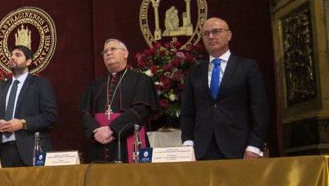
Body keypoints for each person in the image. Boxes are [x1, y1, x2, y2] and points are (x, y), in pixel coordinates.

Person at [180, 17, 268, 160]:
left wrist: (254, 145)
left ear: (229, 35)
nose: (211, 36)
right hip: (202, 149)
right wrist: (188, 143)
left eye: (216, 31)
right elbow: (187, 111)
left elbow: (259, 109)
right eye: (206, 33)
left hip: (238, 147)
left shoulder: (247, 67)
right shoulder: (195, 72)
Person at [79, 39, 160, 163]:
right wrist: (97, 131)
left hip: (129, 140)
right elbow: (84, 112)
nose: (108, 53)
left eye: (113, 49)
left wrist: (111, 129)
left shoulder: (141, 80)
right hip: (100, 143)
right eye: (105, 51)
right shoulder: (96, 85)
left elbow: (141, 110)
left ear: (125, 54)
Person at [0, 45, 58, 167]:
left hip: (31, 151)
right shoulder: (0, 88)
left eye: (18, 55)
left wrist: (23, 123)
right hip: (3, 152)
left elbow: (50, 116)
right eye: (11, 55)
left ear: (28, 61)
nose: (12, 57)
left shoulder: (40, 84)